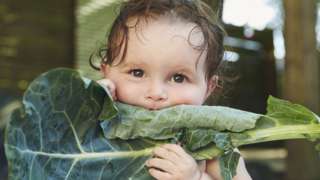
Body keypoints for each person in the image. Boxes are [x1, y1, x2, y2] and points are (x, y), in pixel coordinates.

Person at [91, 0, 252, 179]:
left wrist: (196, 178)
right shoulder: (96, 126)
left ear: (208, 88)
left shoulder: (215, 146)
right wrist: (85, 107)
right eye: (137, 73)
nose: (156, 93)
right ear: (106, 72)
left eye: (178, 78)